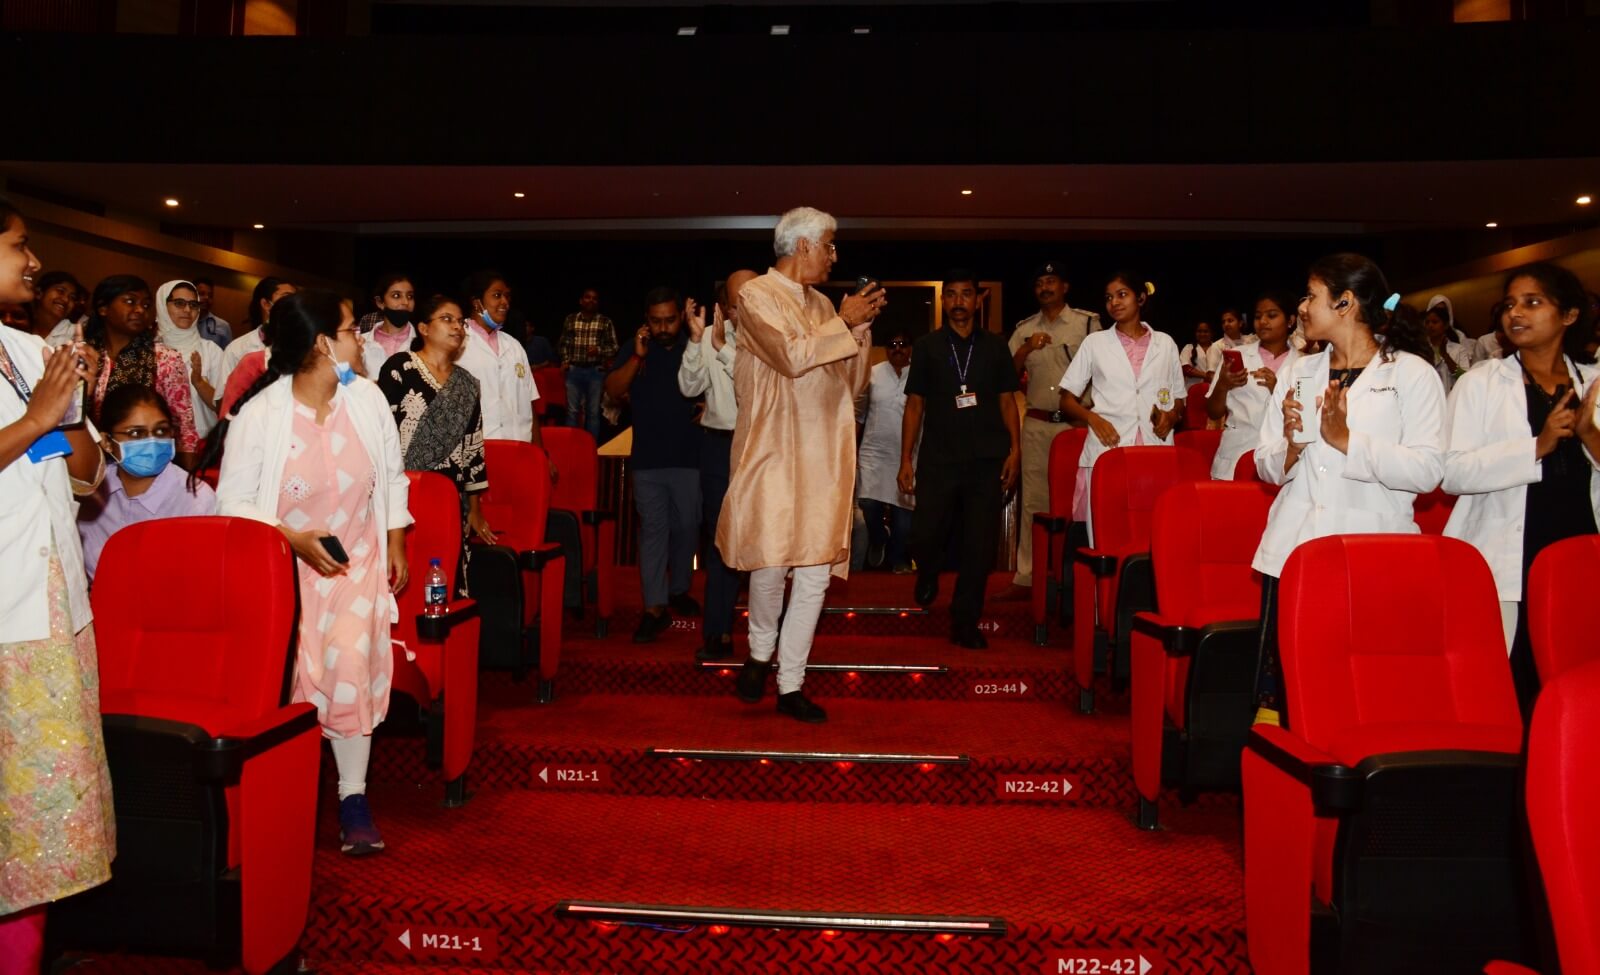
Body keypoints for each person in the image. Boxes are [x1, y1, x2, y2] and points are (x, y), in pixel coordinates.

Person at [208, 289, 410, 856]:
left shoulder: (366, 399)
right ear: (323, 343)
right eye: (349, 330)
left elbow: (393, 476)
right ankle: (288, 791)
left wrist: (395, 540)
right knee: (292, 682)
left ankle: (352, 797)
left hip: (353, 565)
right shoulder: (262, 414)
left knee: (347, 660)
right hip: (282, 571)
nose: (360, 340)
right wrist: (290, 539)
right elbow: (231, 502)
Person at [1250, 253, 1443, 726]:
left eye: (1310, 296)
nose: (1301, 307)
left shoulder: (1411, 374)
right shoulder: (1298, 371)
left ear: (1345, 302)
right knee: (1286, 693)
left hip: (1372, 554)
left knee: (1359, 691)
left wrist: (1347, 441)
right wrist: (1292, 448)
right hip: (1293, 549)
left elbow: (1428, 470)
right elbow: (1264, 464)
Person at [0, 198, 114, 975]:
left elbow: (86, 475)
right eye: (19, 246)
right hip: (7, 611)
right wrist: (39, 416)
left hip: (52, 606)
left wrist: (77, 419)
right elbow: (32, 429)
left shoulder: (26, 346)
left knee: (39, 823)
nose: (34, 262)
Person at [717, 206, 882, 723]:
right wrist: (843, 322)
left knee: (814, 575)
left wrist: (859, 332)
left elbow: (850, 384)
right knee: (770, 564)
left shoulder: (826, 305)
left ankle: (791, 684)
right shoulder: (757, 295)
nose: (834, 256)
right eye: (829, 245)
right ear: (804, 245)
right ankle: (759, 652)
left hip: (823, 456)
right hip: (772, 451)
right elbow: (789, 356)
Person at [1442, 263, 1600, 719]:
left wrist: (1590, 436)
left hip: (1581, 540)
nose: (1516, 313)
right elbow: (1452, 472)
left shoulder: (1593, 382)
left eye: (1533, 303)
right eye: (1509, 304)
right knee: (1515, 679)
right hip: (1512, 547)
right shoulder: (1481, 383)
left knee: (1577, 673)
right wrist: (1537, 446)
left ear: (1569, 315)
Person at [900, 273, 1020, 648]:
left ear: (977, 300)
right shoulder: (927, 346)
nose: (958, 301)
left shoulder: (996, 347)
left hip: (986, 460)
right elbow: (915, 404)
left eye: (966, 294)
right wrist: (906, 458)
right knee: (924, 533)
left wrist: (1015, 450)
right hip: (938, 458)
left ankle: (965, 620)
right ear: (943, 301)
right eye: (951, 295)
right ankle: (928, 570)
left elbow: (1007, 401)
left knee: (979, 546)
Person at [605, 287, 703, 643]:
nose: (663, 327)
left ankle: (678, 589)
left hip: (690, 457)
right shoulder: (636, 348)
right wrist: (636, 357)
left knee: (688, 526)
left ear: (681, 318)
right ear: (646, 320)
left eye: (670, 320)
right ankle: (654, 608)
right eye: (656, 321)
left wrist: (711, 405)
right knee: (653, 531)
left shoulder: (695, 344)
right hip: (647, 459)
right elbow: (613, 390)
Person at [1058, 271, 1186, 542]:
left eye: (1122, 295)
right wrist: (1093, 419)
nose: (1114, 302)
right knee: (1108, 536)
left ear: (1141, 298)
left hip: (1154, 449)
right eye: (1108, 298)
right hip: (1109, 448)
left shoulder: (1165, 343)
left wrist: (1172, 416)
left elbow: (1179, 398)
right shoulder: (1095, 343)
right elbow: (1066, 399)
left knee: (1154, 536)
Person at [376, 294, 491, 597]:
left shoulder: (467, 383)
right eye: (447, 319)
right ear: (424, 328)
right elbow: (381, 435)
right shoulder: (400, 368)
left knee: (442, 576)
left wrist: (475, 509)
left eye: (461, 322)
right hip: (403, 492)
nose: (457, 327)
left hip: (450, 497)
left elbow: (473, 446)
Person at [1005, 260, 1099, 597]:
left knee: (1079, 503)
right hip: (1037, 424)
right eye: (1039, 283)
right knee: (1033, 503)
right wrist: (1026, 348)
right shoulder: (1024, 328)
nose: (1045, 287)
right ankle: (1028, 578)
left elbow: (1104, 370)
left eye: (1051, 281)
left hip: (1076, 427)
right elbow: (1005, 377)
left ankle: (1074, 577)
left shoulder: (1087, 323)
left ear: (1065, 287)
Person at [678, 269, 756, 661]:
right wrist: (696, 341)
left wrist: (726, 348)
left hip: (759, 450)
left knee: (760, 542)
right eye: (737, 304)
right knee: (720, 541)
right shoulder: (708, 336)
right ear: (724, 306)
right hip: (717, 448)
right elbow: (688, 387)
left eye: (751, 302)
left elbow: (754, 385)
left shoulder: (772, 339)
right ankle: (717, 631)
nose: (744, 311)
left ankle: (764, 640)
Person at [78, 384, 216, 579]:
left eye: (161, 431)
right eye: (136, 433)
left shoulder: (195, 499)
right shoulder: (91, 493)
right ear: (107, 442)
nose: (152, 442)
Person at [84, 275, 201, 469]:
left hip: (145, 465)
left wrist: (185, 480)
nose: (140, 310)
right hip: (86, 462)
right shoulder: (84, 355)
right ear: (103, 308)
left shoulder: (165, 359)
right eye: (130, 302)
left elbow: (183, 427)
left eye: (146, 305)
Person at [458, 270, 550, 466]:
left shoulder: (514, 346)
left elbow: (529, 404)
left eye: (507, 296)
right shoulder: (457, 342)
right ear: (476, 302)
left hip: (519, 452)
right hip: (475, 457)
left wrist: (541, 454)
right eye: (497, 295)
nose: (505, 302)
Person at [1207, 291, 1300, 480]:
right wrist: (1223, 385)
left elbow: (1306, 419)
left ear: (1290, 320)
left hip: (1282, 459)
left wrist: (1277, 390)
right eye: (1258, 317)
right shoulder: (1236, 356)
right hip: (1235, 455)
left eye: (1271, 315)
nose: (1263, 321)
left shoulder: (1304, 363)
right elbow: (1213, 412)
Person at [857, 325, 916, 574]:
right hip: (873, 452)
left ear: (911, 348)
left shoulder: (920, 375)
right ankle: (879, 537)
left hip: (908, 455)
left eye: (903, 344)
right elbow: (859, 415)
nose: (897, 349)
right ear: (885, 349)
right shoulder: (872, 374)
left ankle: (898, 558)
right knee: (868, 502)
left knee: (904, 515)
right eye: (892, 345)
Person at [155, 279, 226, 440]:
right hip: (160, 442)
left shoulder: (211, 351)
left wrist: (199, 383)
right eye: (179, 303)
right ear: (163, 305)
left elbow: (223, 406)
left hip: (203, 441)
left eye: (193, 305)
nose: (187, 310)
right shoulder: (149, 350)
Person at [558, 287, 618, 441]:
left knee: (593, 412)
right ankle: (571, 446)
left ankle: (590, 447)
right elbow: (563, 343)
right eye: (587, 297)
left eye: (594, 298)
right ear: (581, 300)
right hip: (574, 370)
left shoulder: (605, 321)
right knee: (572, 411)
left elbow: (614, 347)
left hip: (595, 371)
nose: (591, 300)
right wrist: (565, 361)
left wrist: (599, 350)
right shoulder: (571, 319)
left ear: (598, 302)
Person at [221, 276, 295, 380]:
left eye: (295, 299)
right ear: (266, 304)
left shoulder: (302, 346)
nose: (294, 304)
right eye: (286, 298)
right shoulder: (236, 350)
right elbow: (225, 390)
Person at [361, 272, 417, 378]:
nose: (405, 302)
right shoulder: (360, 343)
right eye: (396, 296)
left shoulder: (423, 343)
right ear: (380, 302)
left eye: (410, 296)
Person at [1422, 296, 1472, 394]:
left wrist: (1446, 356)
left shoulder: (1458, 349)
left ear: (1445, 325)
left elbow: (1465, 377)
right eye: (1427, 322)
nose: (1430, 325)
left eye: (1435, 322)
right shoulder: (1422, 349)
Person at [26, 270, 79, 346]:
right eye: (60, 291)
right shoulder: (19, 323)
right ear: (39, 293)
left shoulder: (74, 334)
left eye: (72, 297)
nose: (66, 299)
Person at [191, 277, 231, 350]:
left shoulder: (223, 326)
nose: (206, 298)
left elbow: (227, 354)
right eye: (201, 294)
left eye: (210, 295)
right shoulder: (182, 321)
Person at [1180, 320, 1216, 388]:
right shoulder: (1188, 348)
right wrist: (1207, 376)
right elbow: (1185, 369)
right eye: (1199, 331)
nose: (1202, 334)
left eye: (1206, 331)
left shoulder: (1218, 347)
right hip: (1192, 389)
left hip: (1214, 389)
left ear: (1212, 333)